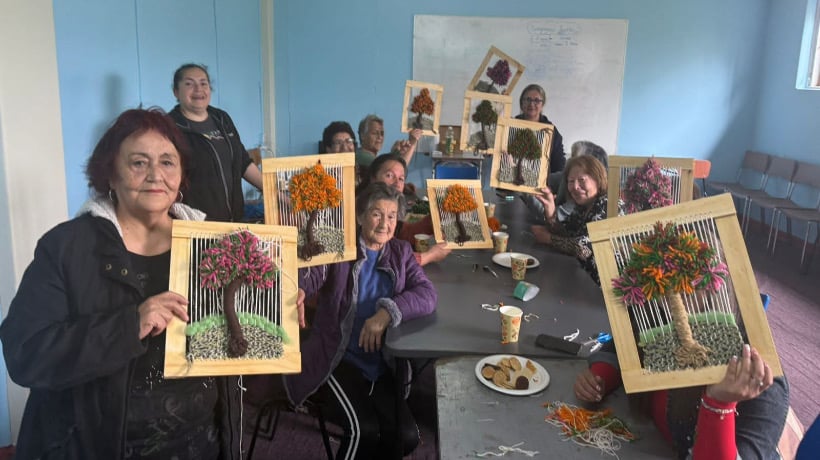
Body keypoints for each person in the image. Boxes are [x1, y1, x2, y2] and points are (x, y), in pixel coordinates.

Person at [0, 108, 241, 459]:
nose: (155, 175)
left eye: (167, 162)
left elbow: (233, 339)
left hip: (199, 441)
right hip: (97, 445)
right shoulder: (67, 248)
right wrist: (129, 325)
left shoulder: (211, 243)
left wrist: (279, 307)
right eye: (139, 163)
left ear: (182, 175)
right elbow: (26, 353)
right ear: (110, 174)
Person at [284, 182, 437, 459]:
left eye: (391, 216)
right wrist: (301, 285)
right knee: (363, 431)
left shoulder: (401, 253)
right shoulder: (340, 246)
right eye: (377, 214)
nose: (385, 223)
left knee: (406, 437)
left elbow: (427, 294)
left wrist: (386, 312)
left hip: (381, 365)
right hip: (339, 359)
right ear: (359, 216)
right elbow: (312, 274)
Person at [574, 343, 789, 459]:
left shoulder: (760, 380)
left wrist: (719, 405)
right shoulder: (658, 319)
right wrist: (600, 378)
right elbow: (620, 347)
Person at [169, 63, 262, 222]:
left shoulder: (221, 118)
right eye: (189, 84)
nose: (198, 89)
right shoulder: (170, 127)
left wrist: (274, 193)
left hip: (234, 220)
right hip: (196, 225)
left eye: (203, 83)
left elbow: (242, 162)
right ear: (176, 92)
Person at [531, 155, 612, 285]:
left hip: (605, 292)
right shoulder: (582, 207)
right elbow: (566, 234)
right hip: (583, 281)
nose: (575, 186)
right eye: (570, 181)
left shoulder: (609, 205)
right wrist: (551, 212)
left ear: (598, 179)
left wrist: (547, 238)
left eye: (581, 180)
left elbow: (583, 248)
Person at [362, 153, 451, 266]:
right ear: (373, 178)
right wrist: (428, 256)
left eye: (401, 179)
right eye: (389, 175)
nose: (397, 183)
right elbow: (380, 256)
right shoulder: (361, 210)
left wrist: (434, 219)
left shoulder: (392, 208)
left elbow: (404, 233)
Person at [515, 83, 566, 174]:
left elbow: (559, 162)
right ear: (521, 103)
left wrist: (552, 185)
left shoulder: (551, 131)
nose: (531, 104)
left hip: (541, 185)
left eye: (537, 100)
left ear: (542, 105)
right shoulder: (510, 125)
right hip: (510, 182)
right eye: (528, 99)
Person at [356, 114, 422, 170]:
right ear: (362, 136)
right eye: (375, 133)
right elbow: (392, 171)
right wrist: (412, 143)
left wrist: (395, 153)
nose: (380, 137)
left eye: (382, 134)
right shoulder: (361, 156)